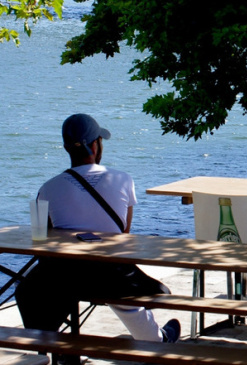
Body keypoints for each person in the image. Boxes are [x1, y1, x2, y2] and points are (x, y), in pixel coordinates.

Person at [15, 114, 180, 358]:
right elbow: (124, 233)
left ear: (66, 148)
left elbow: (45, 238)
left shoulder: (49, 187)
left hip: (66, 277)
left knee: (30, 288)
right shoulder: (123, 179)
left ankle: (48, 346)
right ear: (95, 145)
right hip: (111, 275)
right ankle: (157, 340)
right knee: (119, 281)